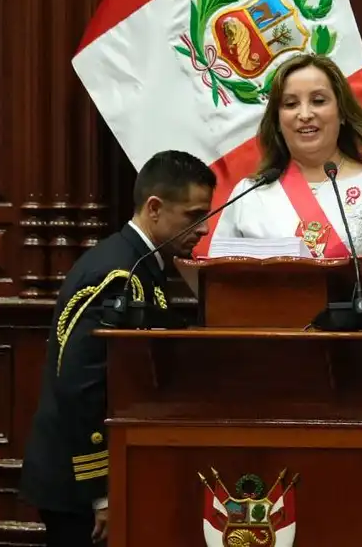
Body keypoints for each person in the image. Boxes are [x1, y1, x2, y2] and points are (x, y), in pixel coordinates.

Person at [19, 150, 216, 547]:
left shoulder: (139, 263)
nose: (202, 230)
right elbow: (79, 386)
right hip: (81, 487)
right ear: (155, 208)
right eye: (193, 216)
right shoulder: (118, 274)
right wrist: (101, 491)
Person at [210, 53, 362, 258]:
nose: (305, 114)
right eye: (290, 104)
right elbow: (219, 286)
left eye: (318, 101)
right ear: (276, 120)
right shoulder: (250, 195)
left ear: (341, 114)